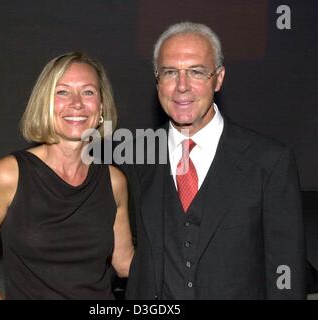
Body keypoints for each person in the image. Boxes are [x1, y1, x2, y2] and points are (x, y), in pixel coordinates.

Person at [123, 22, 306, 299]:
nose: (182, 86)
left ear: (218, 78)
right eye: (170, 72)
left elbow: (285, 271)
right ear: (157, 80)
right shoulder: (136, 158)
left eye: (196, 72)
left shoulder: (269, 161)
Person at [0, 52, 134, 299]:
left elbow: (125, 263)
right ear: (45, 103)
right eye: (62, 92)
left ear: (101, 107)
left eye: (88, 92)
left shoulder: (114, 181)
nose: (76, 103)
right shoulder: (9, 176)